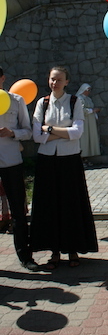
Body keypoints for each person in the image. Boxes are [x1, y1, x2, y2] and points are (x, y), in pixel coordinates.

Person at [30, 66, 98, 269]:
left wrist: (49, 130)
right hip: (47, 160)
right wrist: (62, 132)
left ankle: (73, 249)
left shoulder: (75, 101)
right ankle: (54, 251)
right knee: (49, 205)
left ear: (67, 82)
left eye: (59, 80)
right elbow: (36, 136)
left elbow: (77, 132)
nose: (55, 83)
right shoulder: (42, 103)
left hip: (70, 160)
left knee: (71, 204)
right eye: (52, 79)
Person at [0, 67, 37, 270]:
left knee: (18, 212)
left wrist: (11, 132)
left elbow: (28, 131)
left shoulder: (16, 101)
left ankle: (25, 256)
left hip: (11, 162)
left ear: (3, 78)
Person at [75, 83, 101, 167]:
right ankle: (81, 158)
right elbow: (81, 110)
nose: (89, 92)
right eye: (88, 90)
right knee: (84, 140)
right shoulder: (79, 98)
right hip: (84, 123)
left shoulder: (88, 99)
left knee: (89, 139)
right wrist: (92, 111)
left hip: (90, 123)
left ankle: (86, 158)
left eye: (90, 90)